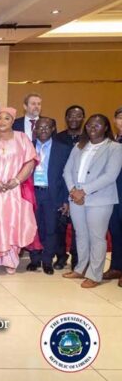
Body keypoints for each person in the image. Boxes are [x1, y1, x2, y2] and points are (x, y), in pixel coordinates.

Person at [63, 114, 122, 288]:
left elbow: (110, 176)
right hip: (75, 197)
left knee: (97, 237)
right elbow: (67, 171)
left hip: (100, 198)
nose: (92, 128)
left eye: (97, 125)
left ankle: (95, 274)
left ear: (105, 128)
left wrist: (84, 191)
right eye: (89, 125)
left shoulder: (115, 148)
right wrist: (73, 190)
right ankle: (80, 268)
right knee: (80, 234)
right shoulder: (79, 146)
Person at [0, 107, 38, 274]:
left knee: (12, 223)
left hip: (14, 190)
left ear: (13, 121)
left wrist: (17, 180)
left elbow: (30, 162)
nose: (1, 121)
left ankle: (11, 260)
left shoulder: (22, 138)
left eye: (6, 118)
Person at [27, 118, 72, 275]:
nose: (43, 130)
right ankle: (34, 260)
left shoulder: (63, 148)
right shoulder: (27, 147)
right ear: (35, 130)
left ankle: (47, 261)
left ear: (53, 128)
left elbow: (68, 175)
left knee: (51, 228)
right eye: (39, 127)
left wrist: (66, 199)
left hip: (53, 194)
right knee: (33, 227)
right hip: (31, 192)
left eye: (47, 127)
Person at [54, 105, 85, 269]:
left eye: (78, 116)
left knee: (78, 227)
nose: (74, 119)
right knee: (60, 225)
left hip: (81, 190)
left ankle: (76, 257)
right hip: (61, 188)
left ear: (83, 118)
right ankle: (60, 256)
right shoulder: (58, 138)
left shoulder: (88, 139)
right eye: (70, 116)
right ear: (66, 118)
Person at [104, 107, 122, 287]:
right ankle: (117, 266)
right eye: (120, 118)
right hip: (113, 192)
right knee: (115, 230)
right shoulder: (113, 141)